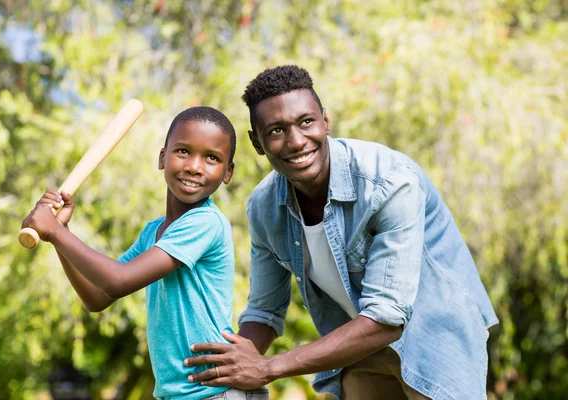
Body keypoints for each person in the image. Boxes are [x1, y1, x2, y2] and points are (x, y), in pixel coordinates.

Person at [184, 66, 499, 400]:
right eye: (276, 130)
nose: (296, 141)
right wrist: (231, 364)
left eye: (306, 122)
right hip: (357, 346)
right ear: (257, 143)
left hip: (435, 337)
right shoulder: (264, 207)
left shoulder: (389, 181)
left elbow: (387, 316)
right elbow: (264, 311)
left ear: (325, 121)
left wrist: (267, 367)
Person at [22, 106, 269, 400]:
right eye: (183, 152)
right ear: (163, 157)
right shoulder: (153, 232)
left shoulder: (206, 223)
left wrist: (55, 232)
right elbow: (98, 296)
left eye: (211, 158)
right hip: (179, 394)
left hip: (212, 392)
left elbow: (118, 280)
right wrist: (62, 233)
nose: (194, 166)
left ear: (227, 172)